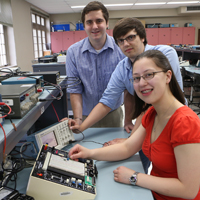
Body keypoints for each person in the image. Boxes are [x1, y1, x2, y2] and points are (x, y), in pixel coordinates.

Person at [69, 50, 200, 200]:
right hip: (152, 194)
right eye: (136, 78)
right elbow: (127, 148)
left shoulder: (185, 122)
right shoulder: (152, 113)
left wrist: (134, 177)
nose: (142, 83)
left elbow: (188, 190)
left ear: (168, 76)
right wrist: (89, 153)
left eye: (149, 75)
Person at [68, 17, 184, 174]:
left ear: (142, 37)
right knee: (154, 169)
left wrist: (131, 142)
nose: (126, 44)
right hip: (149, 126)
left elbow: (155, 102)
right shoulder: (123, 67)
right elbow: (107, 101)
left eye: (130, 37)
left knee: (175, 171)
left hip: (173, 125)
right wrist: (81, 127)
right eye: (121, 41)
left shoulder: (165, 54)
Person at [65, 1, 125, 128]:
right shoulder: (73, 52)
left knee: (114, 147)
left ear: (107, 23)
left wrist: (129, 119)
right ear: (84, 25)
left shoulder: (121, 48)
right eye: (89, 22)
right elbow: (75, 89)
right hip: (85, 115)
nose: (94, 26)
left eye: (99, 21)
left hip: (113, 114)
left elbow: (129, 88)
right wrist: (77, 119)